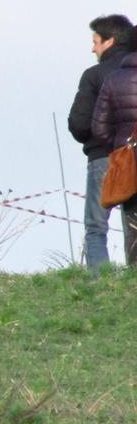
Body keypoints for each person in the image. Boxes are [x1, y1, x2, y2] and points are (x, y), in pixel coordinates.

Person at [68, 14, 136, 270]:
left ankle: (100, 281)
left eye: (95, 41)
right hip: (134, 153)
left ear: (109, 41)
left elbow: (80, 123)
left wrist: (104, 143)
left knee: (96, 226)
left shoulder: (95, 75)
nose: (92, 48)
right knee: (134, 221)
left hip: (103, 157)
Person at [92, 36, 137, 264]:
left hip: (128, 155)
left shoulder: (113, 79)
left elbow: (99, 127)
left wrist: (118, 147)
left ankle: (133, 273)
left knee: (132, 219)